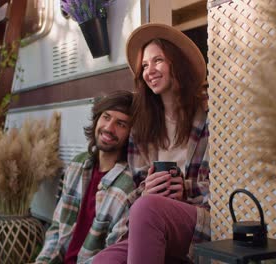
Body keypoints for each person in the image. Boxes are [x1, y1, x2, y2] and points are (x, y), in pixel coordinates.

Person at [93, 23, 210, 264]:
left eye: (157, 61)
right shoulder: (142, 127)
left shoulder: (209, 116)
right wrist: (147, 191)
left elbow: (224, 185)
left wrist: (185, 189)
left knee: (148, 209)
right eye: (145, 66)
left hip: (200, 219)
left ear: (177, 63)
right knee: (104, 260)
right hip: (153, 220)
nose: (149, 71)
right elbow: (138, 189)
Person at [33, 90, 135, 264]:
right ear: (97, 119)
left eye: (121, 124)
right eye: (106, 117)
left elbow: (112, 254)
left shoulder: (128, 187)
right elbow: (57, 228)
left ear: (130, 134)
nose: (109, 128)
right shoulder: (77, 166)